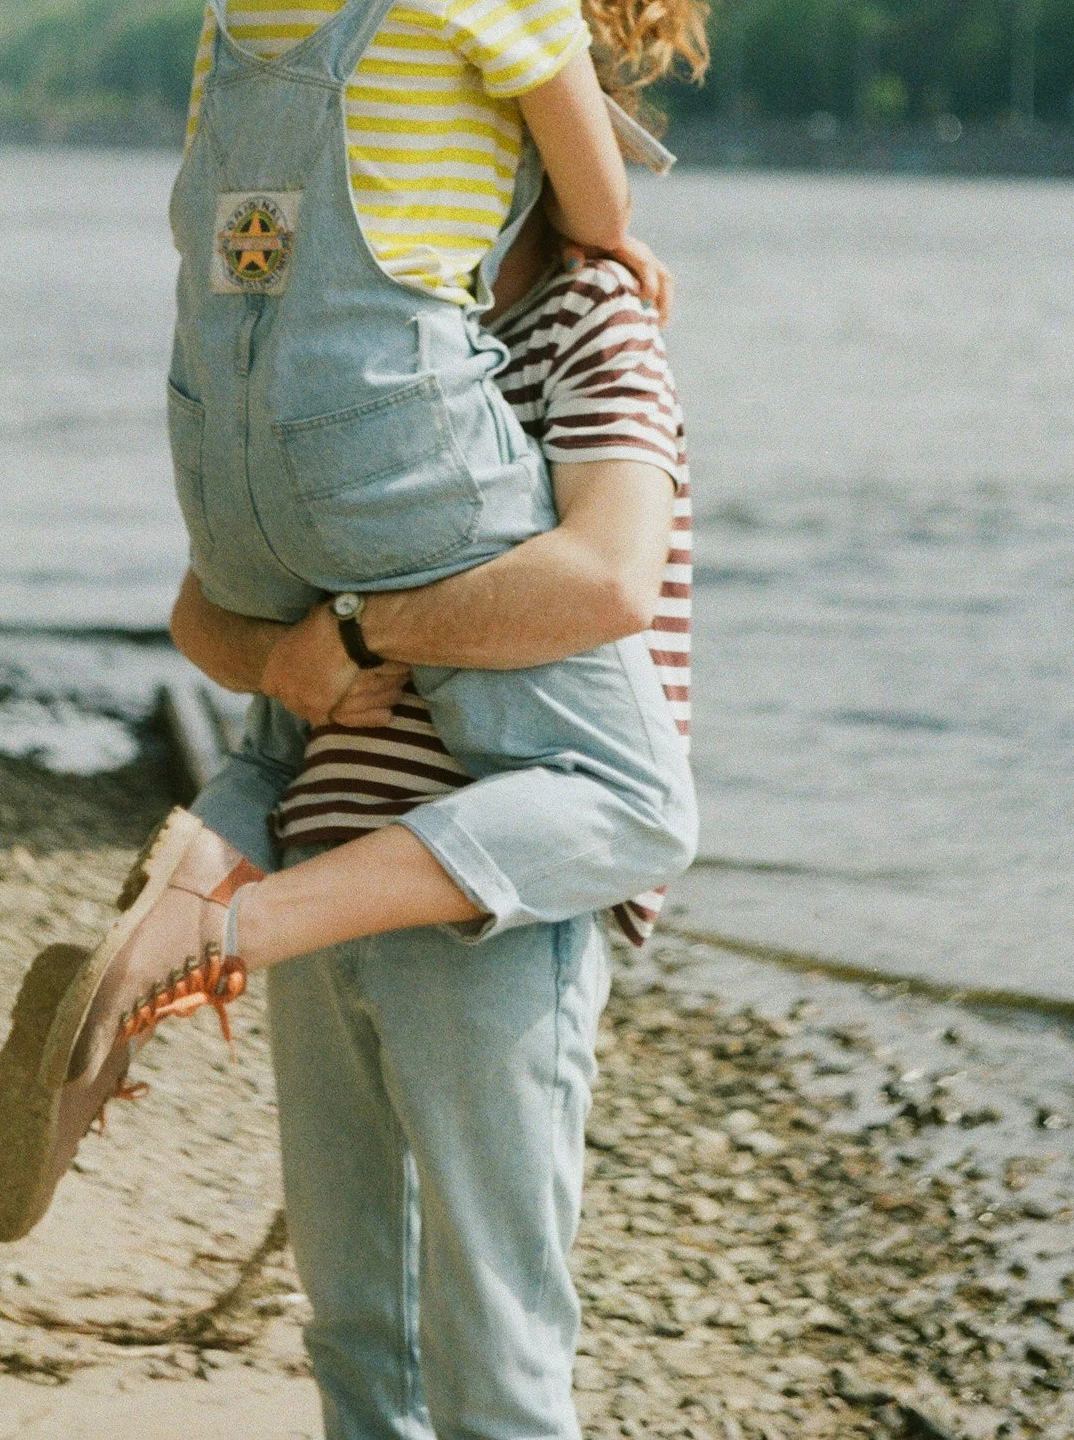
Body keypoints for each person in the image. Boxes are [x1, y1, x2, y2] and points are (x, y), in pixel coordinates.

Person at [0, 0, 727, 1243]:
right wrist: (614, 251)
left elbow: (206, 195)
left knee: (304, 694)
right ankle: (220, 926)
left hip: (224, 432)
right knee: (633, 801)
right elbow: (594, 193)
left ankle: (209, 849)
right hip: (372, 420)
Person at [179, 206, 695, 1440]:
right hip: (319, 850)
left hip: (494, 891)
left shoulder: (586, 318)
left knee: (492, 1357)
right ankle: (212, 917)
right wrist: (292, 659)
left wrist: (361, 629)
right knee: (355, 1327)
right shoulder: (361, 348)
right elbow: (202, 612)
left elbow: (610, 576)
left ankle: (207, 922)